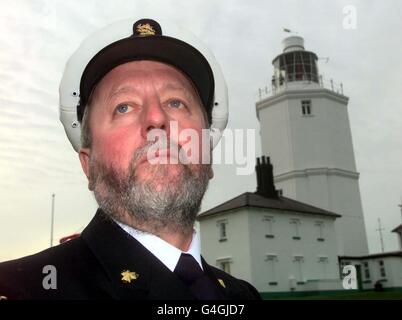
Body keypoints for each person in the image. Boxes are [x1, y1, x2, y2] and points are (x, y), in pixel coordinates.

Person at [0, 18, 261, 300]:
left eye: (176, 102)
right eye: (123, 107)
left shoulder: (243, 296)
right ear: (89, 165)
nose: (157, 117)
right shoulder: (19, 289)